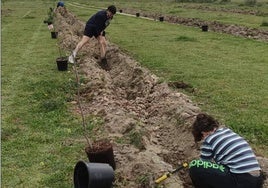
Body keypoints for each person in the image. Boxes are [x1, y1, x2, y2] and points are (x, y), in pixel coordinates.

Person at [189, 113, 264, 188]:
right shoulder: (227, 132)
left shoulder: (209, 140)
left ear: (203, 133)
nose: (203, 139)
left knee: (195, 165)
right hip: (258, 180)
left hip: (241, 180)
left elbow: (204, 165)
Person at [68, 5, 116, 71]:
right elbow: (97, 27)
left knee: (103, 43)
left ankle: (103, 60)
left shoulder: (110, 17)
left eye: (112, 14)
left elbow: (105, 25)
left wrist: (102, 32)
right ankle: (72, 55)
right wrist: (100, 35)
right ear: (108, 11)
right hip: (91, 27)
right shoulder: (101, 15)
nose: (111, 15)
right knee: (84, 41)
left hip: (98, 28)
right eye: (111, 13)